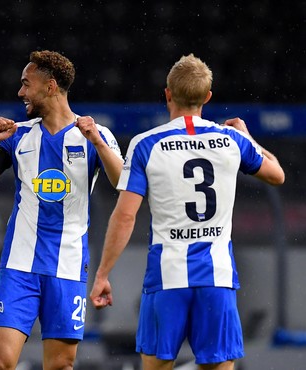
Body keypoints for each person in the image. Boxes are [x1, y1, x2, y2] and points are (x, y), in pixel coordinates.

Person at [90, 54, 285, 370]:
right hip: (216, 278)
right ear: (208, 97)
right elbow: (277, 175)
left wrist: (102, 274)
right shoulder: (232, 140)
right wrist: (249, 137)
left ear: (167, 93)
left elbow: (125, 216)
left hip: (167, 278)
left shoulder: (146, 144)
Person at [0, 50, 123, 370]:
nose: (20, 92)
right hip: (19, 266)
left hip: (67, 267)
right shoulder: (17, 136)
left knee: (60, 366)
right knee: (0, 363)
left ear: (50, 87)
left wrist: (98, 143)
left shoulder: (95, 134)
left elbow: (124, 183)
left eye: (26, 84)